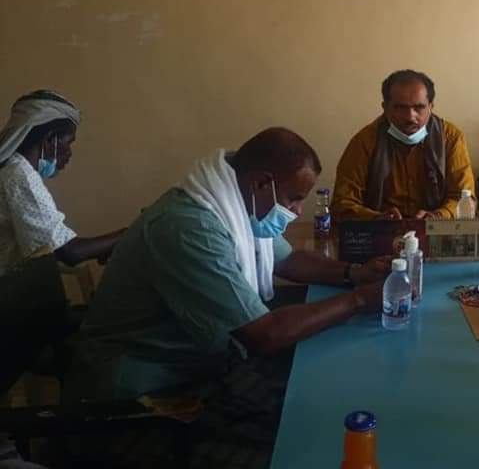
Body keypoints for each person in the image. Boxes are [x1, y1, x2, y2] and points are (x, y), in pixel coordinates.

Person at [67, 127, 390, 403]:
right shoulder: (192, 227)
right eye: (294, 198)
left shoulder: (233, 203)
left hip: (190, 359)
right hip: (142, 381)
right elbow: (263, 335)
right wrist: (359, 300)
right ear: (262, 183)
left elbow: (289, 259)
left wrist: (354, 273)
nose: (297, 210)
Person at [0, 90, 123, 275]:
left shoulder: (11, 168)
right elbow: (68, 252)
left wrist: (103, 248)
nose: (70, 153)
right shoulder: (19, 176)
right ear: (50, 139)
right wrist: (127, 234)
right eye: (69, 142)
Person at [331, 69, 475, 220]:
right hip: (380, 230)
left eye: (419, 108)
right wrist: (376, 218)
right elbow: (342, 203)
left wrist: (438, 216)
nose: (410, 117)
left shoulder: (450, 137)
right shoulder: (365, 141)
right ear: (385, 107)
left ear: (431, 107)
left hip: (435, 230)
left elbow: (465, 198)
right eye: (400, 108)